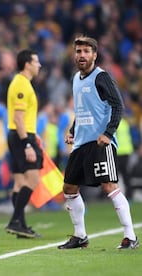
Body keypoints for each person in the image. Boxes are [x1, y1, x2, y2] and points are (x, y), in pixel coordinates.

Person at [57, 36, 139, 250]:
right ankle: (80, 236)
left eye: (86, 51)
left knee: (109, 186)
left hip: (100, 142)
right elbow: (82, 109)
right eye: (78, 51)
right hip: (81, 144)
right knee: (69, 188)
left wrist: (108, 133)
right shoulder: (75, 78)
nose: (81, 55)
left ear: (94, 55)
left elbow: (118, 106)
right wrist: (73, 131)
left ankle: (130, 237)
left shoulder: (101, 77)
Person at [4, 49, 43, 238]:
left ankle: (20, 226)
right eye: (36, 61)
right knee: (33, 180)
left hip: (19, 135)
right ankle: (15, 220)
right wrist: (28, 143)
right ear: (27, 64)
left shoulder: (21, 83)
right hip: (21, 137)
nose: (39, 65)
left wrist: (34, 135)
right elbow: (18, 118)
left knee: (19, 182)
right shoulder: (22, 85)